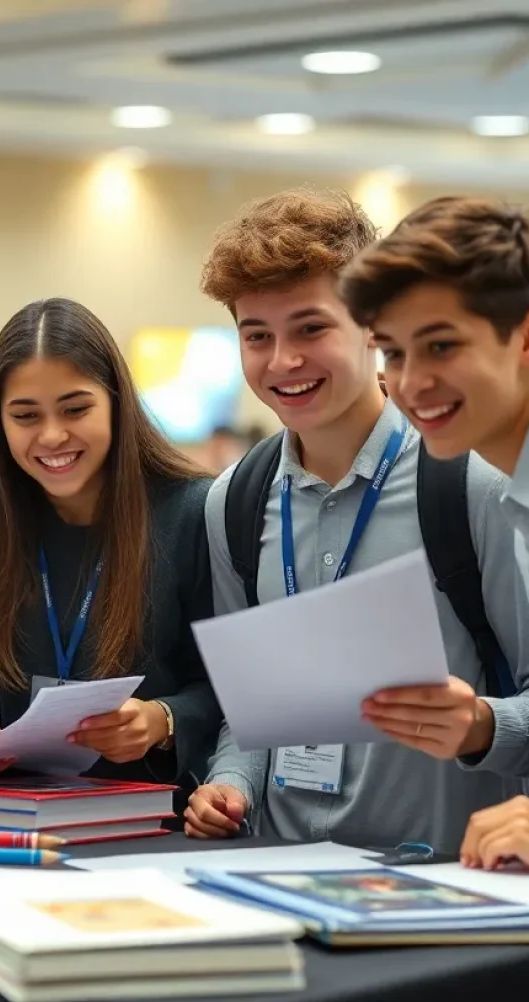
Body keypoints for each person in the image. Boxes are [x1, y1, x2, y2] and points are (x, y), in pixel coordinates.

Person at [186, 189, 526, 855]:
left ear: (370, 330)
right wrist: (230, 783)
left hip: (443, 892)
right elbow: (250, 712)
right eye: (257, 336)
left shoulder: (471, 483)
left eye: (311, 329)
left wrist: (485, 725)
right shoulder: (235, 500)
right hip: (278, 876)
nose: (282, 361)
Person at [0, 297, 220, 790]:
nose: (52, 436)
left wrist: (161, 721)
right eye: (25, 416)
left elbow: (224, 687)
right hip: (10, 812)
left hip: (149, 818)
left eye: (76, 408)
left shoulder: (193, 508)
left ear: (116, 401)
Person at [338, 196, 529, 867]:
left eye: (442, 345)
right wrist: (483, 723)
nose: (411, 383)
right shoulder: (509, 500)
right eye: (392, 351)